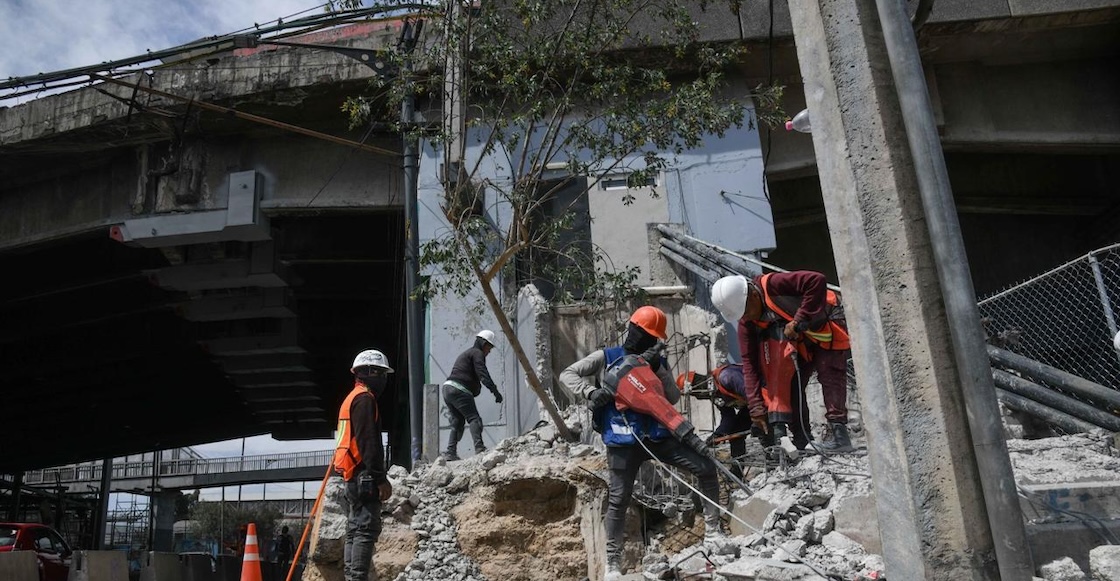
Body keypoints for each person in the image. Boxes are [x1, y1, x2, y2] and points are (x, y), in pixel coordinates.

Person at [560, 306, 730, 580]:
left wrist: (656, 368)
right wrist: (591, 392)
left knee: (705, 466)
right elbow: (568, 374)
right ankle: (612, 564)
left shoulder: (655, 362)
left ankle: (712, 532)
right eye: (637, 330)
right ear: (631, 327)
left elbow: (672, 397)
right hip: (622, 440)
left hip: (659, 437)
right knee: (618, 499)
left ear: (653, 340)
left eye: (646, 335)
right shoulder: (607, 357)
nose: (638, 337)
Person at [711, 271, 854, 452]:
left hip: (826, 318)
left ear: (754, 295)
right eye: (742, 315)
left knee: (829, 373)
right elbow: (749, 365)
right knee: (792, 383)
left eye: (746, 311)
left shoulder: (773, 284)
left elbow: (817, 280)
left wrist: (799, 318)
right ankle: (803, 441)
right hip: (803, 336)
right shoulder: (747, 323)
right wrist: (756, 407)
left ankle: (840, 436)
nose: (746, 317)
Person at [333, 349, 394, 581]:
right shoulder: (364, 399)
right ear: (370, 373)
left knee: (354, 530)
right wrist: (380, 477)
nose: (383, 379)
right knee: (365, 529)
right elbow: (368, 440)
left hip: (351, 474)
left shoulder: (351, 398)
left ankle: (352, 577)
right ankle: (356, 578)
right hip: (363, 475)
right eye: (381, 374)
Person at [441, 330, 504, 460]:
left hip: (447, 388)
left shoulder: (468, 353)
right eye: (489, 347)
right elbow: (483, 374)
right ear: (483, 343)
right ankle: (479, 448)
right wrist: (495, 392)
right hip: (459, 389)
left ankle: (450, 452)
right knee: (474, 419)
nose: (489, 351)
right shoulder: (477, 353)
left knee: (457, 422)